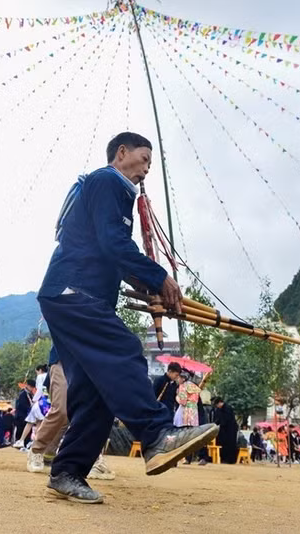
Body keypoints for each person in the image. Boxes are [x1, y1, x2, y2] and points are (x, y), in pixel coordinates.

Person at [38, 132, 218, 502]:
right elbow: (114, 244)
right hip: (75, 291)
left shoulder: (103, 187)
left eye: (150, 163)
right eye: (144, 158)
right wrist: (158, 276)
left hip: (67, 293)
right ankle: (157, 434)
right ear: (122, 153)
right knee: (124, 351)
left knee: (95, 391)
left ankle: (68, 471)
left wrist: (152, 289)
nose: (146, 169)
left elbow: (109, 250)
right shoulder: (108, 181)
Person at [27, 349, 115, 480]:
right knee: (61, 410)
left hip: (90, 360)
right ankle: (36, 450)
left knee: (87, 410)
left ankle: (94, 460)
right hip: (63, 358)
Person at [15, 364, 49, 449]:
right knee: (39, 423)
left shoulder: (40, 376)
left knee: (30, 422)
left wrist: (34, 400)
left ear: (40, 370)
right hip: (48, 401)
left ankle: (22, 440)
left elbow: (40, 389)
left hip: (40, 402)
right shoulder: (50, 375)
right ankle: (35, 442)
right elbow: (45, 390)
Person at [212, 397, 238, 464]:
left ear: (220, 402)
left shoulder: (228, 408)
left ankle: (231, 460)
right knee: (222, 443)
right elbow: (218, 419)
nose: (217, 406)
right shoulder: (219, 410)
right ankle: (223, 458)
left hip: (230, 429)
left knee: (230, 444)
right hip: (223, 430)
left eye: (217, 404)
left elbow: (228, 419)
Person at [14, 379, 36, 446]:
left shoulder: (30, 394)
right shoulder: (23, 394)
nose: (31, 388)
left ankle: (26, 443)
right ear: (27, 385)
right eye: (30, 386)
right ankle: (18, 441)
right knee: (20, 429)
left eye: (32, 387)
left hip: (27, 415)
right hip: (21, 415)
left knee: (28, 431)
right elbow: (21, 405)